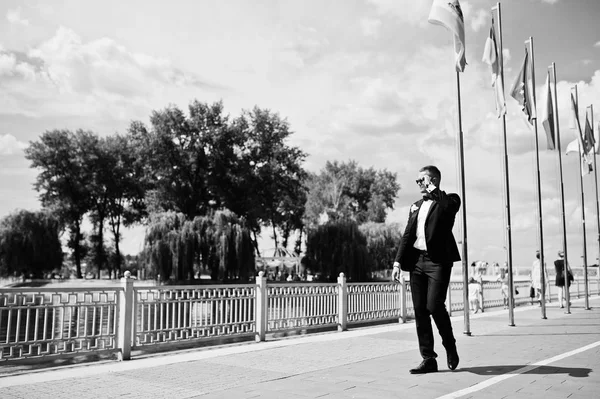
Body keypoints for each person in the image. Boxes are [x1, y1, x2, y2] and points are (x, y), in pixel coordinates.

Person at [391, 165, 460, 374]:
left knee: (434, 305)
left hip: (438, 262)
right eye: (417, 181)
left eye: (422, 180)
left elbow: (448, 206)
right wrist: (397, 263)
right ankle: (428, 358)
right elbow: (407, 235)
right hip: (417, 262)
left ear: (434, 180)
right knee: (420, 311)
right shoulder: (415, 206)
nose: (418, 184)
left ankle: (450, 345)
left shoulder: (450, 200)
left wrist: (433, 190)